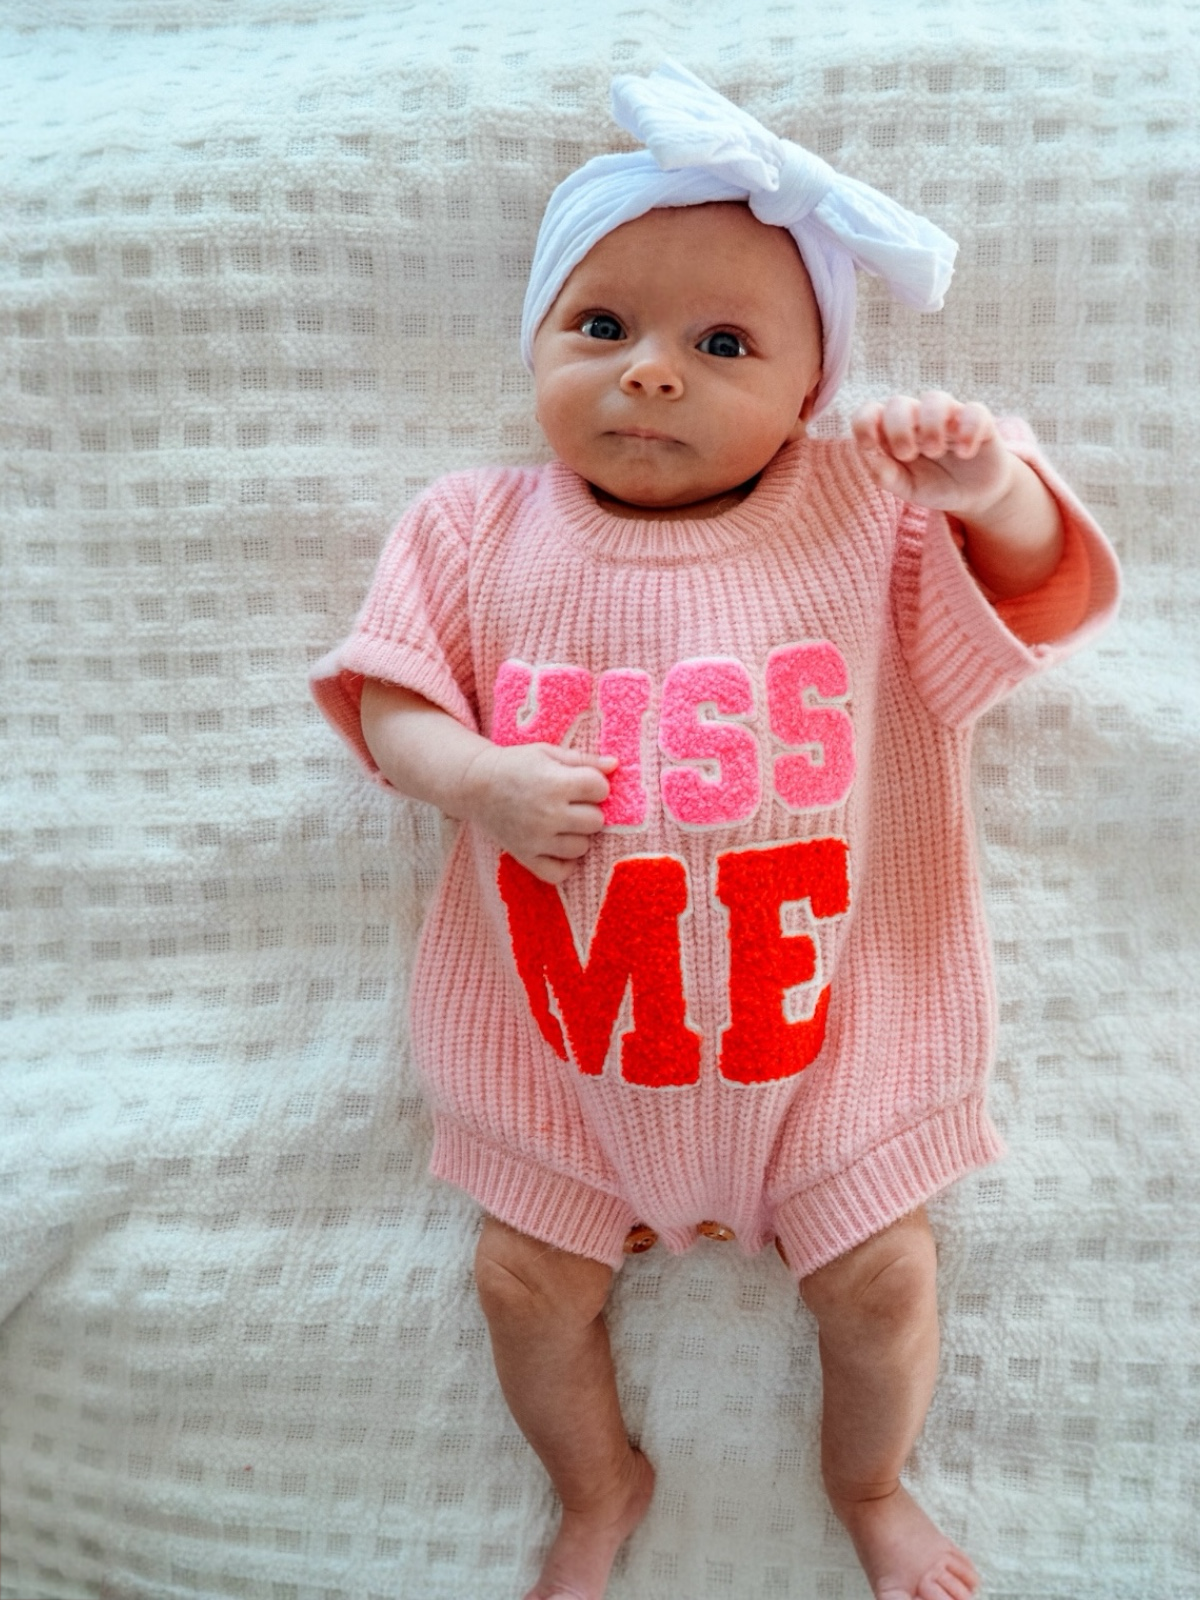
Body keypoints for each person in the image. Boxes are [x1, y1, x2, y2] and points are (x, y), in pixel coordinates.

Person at [311, 62, 1119, 1600]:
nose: (652, 373)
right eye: (601, 328)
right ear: (537, 343)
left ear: (813, 394)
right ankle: (598, 1483)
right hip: (568, 1035)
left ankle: (869, 1489)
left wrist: (991, 485)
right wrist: (474, 777)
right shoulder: (477, 528)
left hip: (828, 1035)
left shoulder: (857, 519)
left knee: (883, 1284)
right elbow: (385, 701)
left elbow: (1030, 600)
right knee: (519, 1284)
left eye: (723, 343)